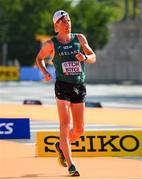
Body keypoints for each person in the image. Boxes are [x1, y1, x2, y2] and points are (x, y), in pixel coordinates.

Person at [36, 10, 96, 176]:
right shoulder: (51, 43)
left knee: (79, 130)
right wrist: (45, 72)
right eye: (63, 21)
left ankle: (60, 146)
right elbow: (39, 58)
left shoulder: (80, 38)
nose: (67, 23)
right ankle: (71, 165)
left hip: (79, 86)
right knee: (64, 124)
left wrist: (84, 57)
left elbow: (93, 56)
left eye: (68, 20)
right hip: (62, 86)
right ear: (56, 25)